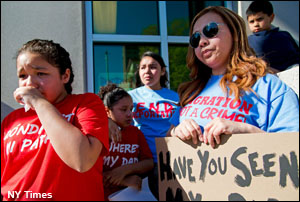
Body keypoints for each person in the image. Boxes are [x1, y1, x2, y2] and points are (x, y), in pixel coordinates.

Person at [167, 6, 299, 149]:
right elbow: (167, 140)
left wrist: (245, 130)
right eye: (195, 38)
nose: (202, 42)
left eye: (210, 30)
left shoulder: (268, 86)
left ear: (235, 33)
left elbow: (291, 147)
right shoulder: (190, 91)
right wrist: (176, 131)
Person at [1, 39, 109, 201]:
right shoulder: (12, 120)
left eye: (41, 74)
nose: (29, 84)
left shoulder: (85, 104)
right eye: (22, 75)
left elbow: (82, 160)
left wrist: (38, 102)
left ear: (65, 76)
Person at [98, 83, 154, 200]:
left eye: (131, 109)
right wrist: (124, 181)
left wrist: (125, 170)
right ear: (107, 111)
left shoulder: (136, 132)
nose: (129, 114)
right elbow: (90, 174)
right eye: (123, 110)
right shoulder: (99, 134)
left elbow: (149, 162)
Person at [246, 0, 299, 73]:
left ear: (271, 17)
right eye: (252, 21)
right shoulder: (248, 40)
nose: (256, 24)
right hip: (265, 73)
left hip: (290, 71)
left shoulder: (284, 35)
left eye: (260, 19)